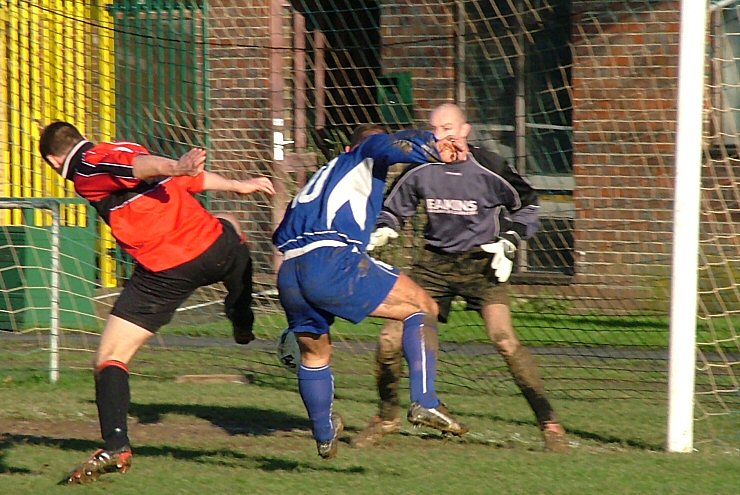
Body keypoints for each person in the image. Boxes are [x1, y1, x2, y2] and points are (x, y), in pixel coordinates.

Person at [38, 121, 276, 484]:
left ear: (55, 162)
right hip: (216, 250)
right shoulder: (121, 145)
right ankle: (240, 310)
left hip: (167, 270)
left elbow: (138, 169)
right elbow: (181, 180)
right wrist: (237, 185)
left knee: (109, 357)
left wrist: (174, 166)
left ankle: (116, 444)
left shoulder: (88, 165)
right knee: (229, 223)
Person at [353, 103, 568, 452]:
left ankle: (550, 424)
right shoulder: (420, 168)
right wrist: (385, 229)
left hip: (483, 265)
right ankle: (386, 417)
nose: (446, 136)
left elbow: (528, 205)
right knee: (389, 341)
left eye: (451, 128)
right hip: (434, 266)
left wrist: (510, 239)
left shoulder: (490, 166)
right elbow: (394, 209)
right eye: (438, 130)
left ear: (466, 130)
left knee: (504, 340)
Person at [272, 124, 469, 460]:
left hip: (289, 272)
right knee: (422, 306)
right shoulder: (363, 152)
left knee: (315, 355)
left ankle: (324, 433)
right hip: (331, 259)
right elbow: (387, 145)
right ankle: (425, 400)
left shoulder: (321, 176)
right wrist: (433, 144)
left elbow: (280, 234)